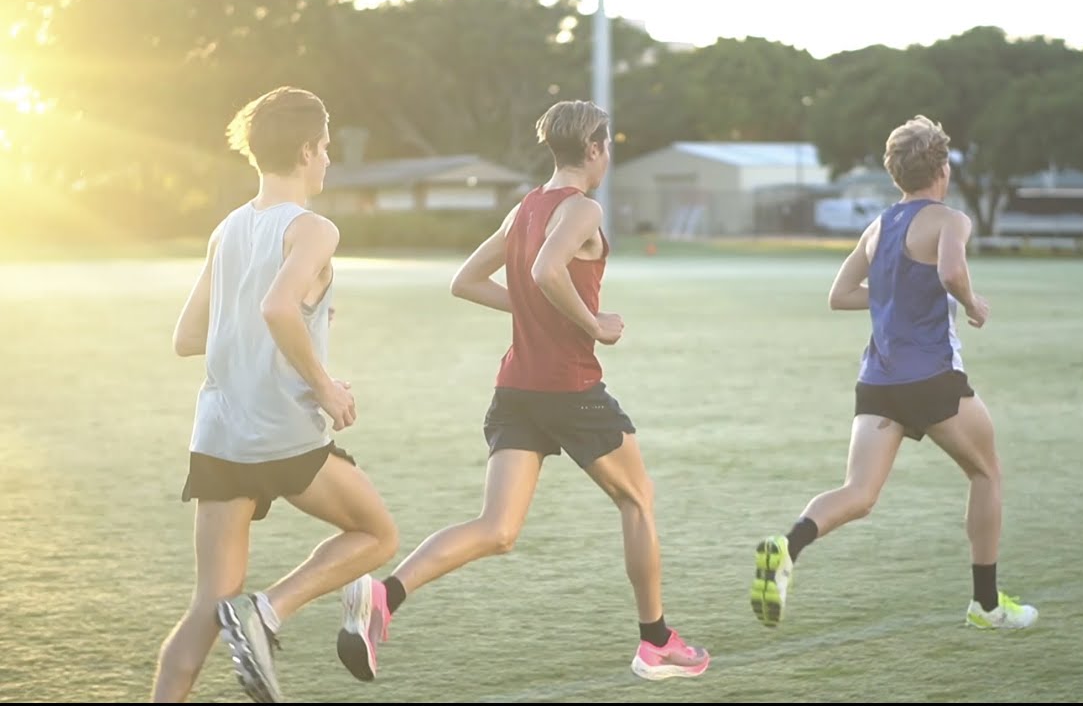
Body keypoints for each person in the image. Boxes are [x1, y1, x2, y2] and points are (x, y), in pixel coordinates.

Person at [335, 99, 710, 683]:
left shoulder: (524, 208)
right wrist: (593, 323)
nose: (608, 157)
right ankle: (656, 642)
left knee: (497, 529)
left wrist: (541, 310)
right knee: (637, 500)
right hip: (570, 386)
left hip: (517, 388)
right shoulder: (582, 209)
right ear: (594, 149)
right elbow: (544, 272)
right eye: (607, 147)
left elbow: (466, 281)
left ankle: (385, 595)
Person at [152, 86, 399, 704]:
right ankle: (267, 613)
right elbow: (277, 307)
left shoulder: (227, 229)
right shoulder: (314, 229)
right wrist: (325, 386)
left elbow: (188, 337)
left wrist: (300, 325)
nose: (328, 159)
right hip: (282, 431)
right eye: (326, 148)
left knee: (208, 606)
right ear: (308, 150)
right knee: (378, 536)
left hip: (220, 436)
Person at [749, 114, 1038, 632]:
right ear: (943, 169)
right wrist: (972, 303)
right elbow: (950, 271)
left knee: (858, 493)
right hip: (932, 377)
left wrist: (894, 295)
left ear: (896, 173)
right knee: (986, 473)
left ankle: (788, 545)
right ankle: (986, 605)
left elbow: (840, 295)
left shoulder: (878, 227)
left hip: (879, 382)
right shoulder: (951, 220)